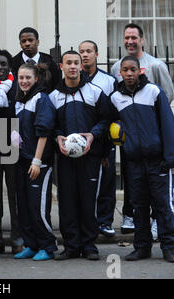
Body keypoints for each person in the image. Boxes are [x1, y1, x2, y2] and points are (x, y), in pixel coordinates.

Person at [110, 55, 174, 263]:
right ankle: (142, 247)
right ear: (120, 73)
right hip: (133, 162)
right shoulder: (115, 98)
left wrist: (170, 158)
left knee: (163, 205)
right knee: (139, 206)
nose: (129, 73)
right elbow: (112, 126)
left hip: (157, 160)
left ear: (140, 71)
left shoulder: (153, 92)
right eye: (125, 70)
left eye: (133, 69)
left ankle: (169, 247)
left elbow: (168, 125)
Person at [49, 51, 110, 261]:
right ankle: (71, 246)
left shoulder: (95, 92)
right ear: (61, 67)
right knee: (67, 201)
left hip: (89, 157)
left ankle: (89, 245)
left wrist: (93, 135)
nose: (73, 66)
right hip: (65, 158)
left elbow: (106, 120)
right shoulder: (54, 96)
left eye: (76, 63)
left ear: (80, 66)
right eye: (69, 63)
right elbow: (51, 125)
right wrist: (57, 138)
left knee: (87, 200)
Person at [12, 63, 58, 261]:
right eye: (20, 78)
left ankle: (48, 246)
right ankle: (31, 244)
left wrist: (37, 161)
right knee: (23, 206)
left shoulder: (41, 99)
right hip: (21, 161)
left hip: (38, 163)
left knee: (36, 207)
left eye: (27, 78)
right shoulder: (19, 100)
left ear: (36, 79)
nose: (23, 81)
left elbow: (44, 132)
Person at [79, 40, 118, 238]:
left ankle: (105, 221)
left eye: (88, 51)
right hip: (82, 141)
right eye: (82, 52)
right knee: (87, 183)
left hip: (104, 139)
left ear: (97, 53)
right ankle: (88, 220)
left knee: (107, 182)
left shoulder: (108, 80)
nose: (85, 55)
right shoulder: (74, 79)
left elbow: (113, 112)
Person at [0, 50, 23, 256]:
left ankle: (17, 237)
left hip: (12, 146)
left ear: (10, 67)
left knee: (14, 194)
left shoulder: (18, 85)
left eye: (3, 64)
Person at [12, 27, 62, 91]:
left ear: (37, 42)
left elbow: (57, 86)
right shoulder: (13, 63)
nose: (27, 44)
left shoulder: (50, 62)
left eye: (30, 40)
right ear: (20, 44)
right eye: (24, 41)